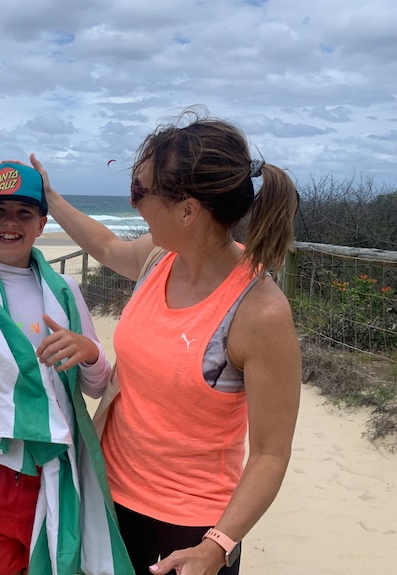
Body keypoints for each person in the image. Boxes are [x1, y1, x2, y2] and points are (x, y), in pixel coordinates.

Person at [30, 109, 302, 575]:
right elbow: (108, 246)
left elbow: (270, 454)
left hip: (196, 526)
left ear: (188, 211)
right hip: (113, 497)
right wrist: (50, 198)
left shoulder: (260, 313)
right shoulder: (159, 257)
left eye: (140, 191)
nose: (133, 203)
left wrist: (216, 547)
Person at [0, 163, 135, 575]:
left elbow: (96, 384)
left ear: (42, 224)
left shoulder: (65, 291)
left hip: (51, 471)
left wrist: (88, 352)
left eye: (24, 212)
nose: (10, 223)